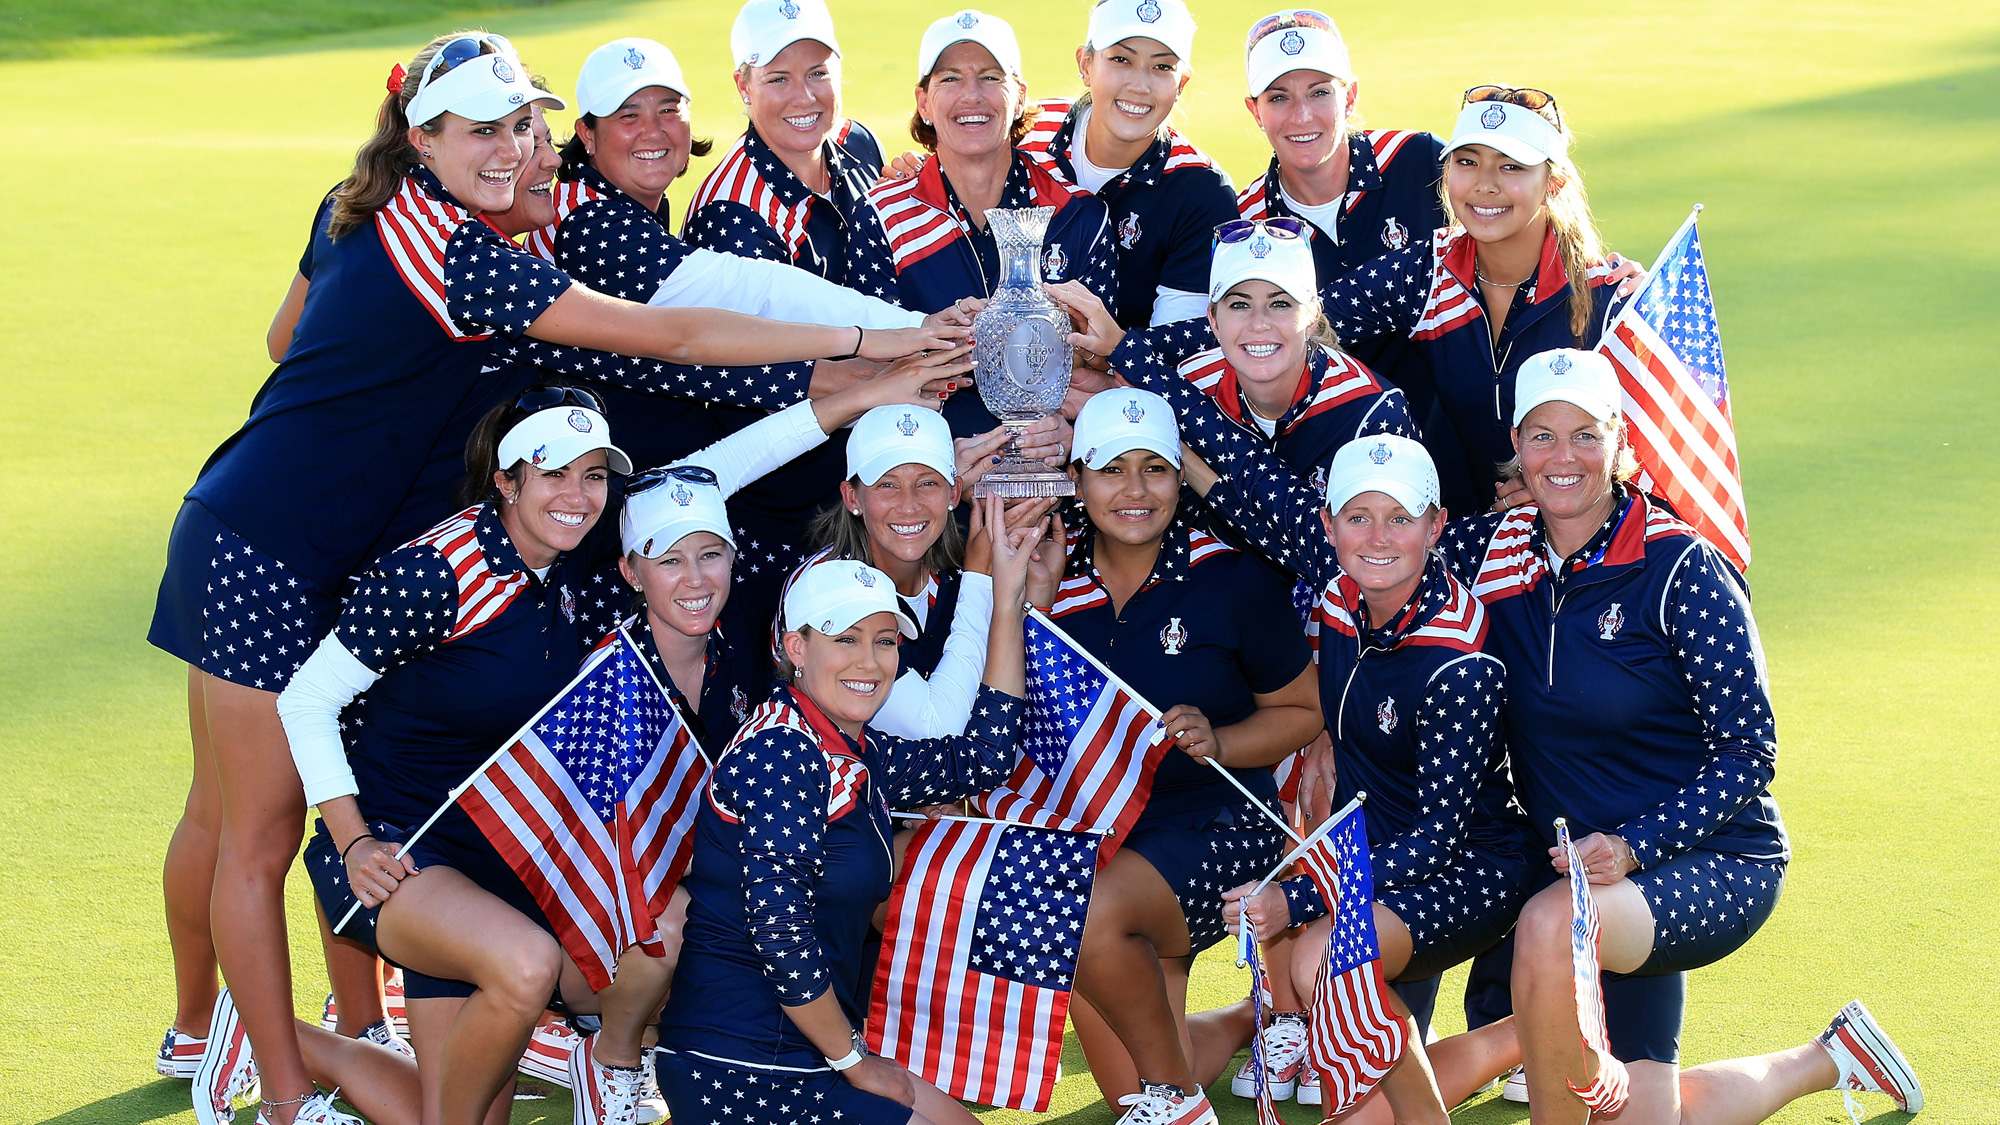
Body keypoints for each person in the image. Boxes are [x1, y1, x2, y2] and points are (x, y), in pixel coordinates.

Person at [151, 31, 964, 1125]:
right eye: (483, 129)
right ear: (422, 135)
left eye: (521, 125)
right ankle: (285, 1094)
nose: (511, 148)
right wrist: (884, 330)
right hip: (273, 543)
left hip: (282, 518)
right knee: (257, 825)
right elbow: (671, 332)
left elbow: (283, 335)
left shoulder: (360, 205)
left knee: (225, 810)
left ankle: (208, 1028)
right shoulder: (463, 254)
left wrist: (371, 402)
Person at [1434, 350, 1923, 1123]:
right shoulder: (1484, 555)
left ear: (1621, 439)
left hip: (1709, 857)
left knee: (1552, 922)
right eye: (1542, 436)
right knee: (1642, 1116)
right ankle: (1829, 1056)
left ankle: (1541, 1030)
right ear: (1517, 447)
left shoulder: (1681, 567)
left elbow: (1749, 752)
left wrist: (1633, 846)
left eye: (1586, 436)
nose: (1563, 458)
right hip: (1589, 876)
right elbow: (1373, 565)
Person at [533, 36, 979, 636]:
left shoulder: (632, 206)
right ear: (586, 136)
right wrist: (896, 338)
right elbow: (735, 319)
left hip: (672, 492)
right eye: (627, 116)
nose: (654, 131)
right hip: (635, 517)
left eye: (668, 110)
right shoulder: (593, 222)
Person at [1174, 430, 1528, 1120]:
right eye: (1357, 516)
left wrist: (1299, 897)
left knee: (1323, 962)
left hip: (1470, 866)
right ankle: (1527, 1033)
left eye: (1400, 517)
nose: (1378, 536)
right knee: (1361, 1108)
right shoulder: (1340, 600)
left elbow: (1439, 840)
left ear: (1435, 525)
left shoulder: (1461, 661)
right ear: (1330, 524)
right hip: (1376, 857)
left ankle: (1489, 1062)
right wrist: (1328, 742)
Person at [654, 503, 1046, 1125]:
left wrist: (1005, 597)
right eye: (845, 638)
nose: (869, 661)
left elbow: (986, 758)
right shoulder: (783, 750)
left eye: (885, 640)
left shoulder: (848, 746)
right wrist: (854, 1061)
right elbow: (780, 929)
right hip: (746, 1064)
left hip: (801, 1050)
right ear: (795, 647)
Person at [1042, 388, 1323, 1125]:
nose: (1134, 491)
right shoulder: (1048, 578)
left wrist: (1221, 740)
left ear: (1179, 477)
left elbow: (1304, 711)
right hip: (1108, 836)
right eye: (1111, 470)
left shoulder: (1233, 578)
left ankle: (1176, 1102)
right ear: (1077, 479)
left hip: (1222, 824)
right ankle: (1244, 1021)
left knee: (1081, 916)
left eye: (1155, 470)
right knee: (1132, 1081)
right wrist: (1028, 604)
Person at [1309, 85, 1629, 513]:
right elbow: (1303, 323)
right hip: (1466, 538)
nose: (1484, 185)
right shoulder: (1427, 269)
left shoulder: (1609, 297)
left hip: (1581, 544)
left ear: (1554, 184)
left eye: (1511, 167)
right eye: (1467, 162)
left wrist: (1562, 483)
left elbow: (1658, 458)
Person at [846, 8, 1120, 438]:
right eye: (950, 79)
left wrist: (1063, 440)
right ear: (924, 102)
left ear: (1020, 97)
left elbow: (1095, 363)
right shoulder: (882, 216)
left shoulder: (1078, 214)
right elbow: (872, 373)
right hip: (930, 460)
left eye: (991, 77)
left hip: (1052, 453)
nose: (971, 96)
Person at [1056, 219, 1416, 486]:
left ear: (1312, 317)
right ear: (1212, 320)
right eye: (1240, 305)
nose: (1259, 324)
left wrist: (1125, 351)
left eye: (1279, 304)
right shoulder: (1191, 381)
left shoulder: (1370, 412)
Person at [1016, 0, 1240, 327]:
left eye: (1162, 67)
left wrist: (1098, 374)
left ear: (1182, 84)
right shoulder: (1023, 131)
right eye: (1121, 59)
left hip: (1123, 377)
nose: (1139, 85)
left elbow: (1173, 344)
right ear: (1086, 64)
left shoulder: (1201, 189)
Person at [684, 0, 885, 281]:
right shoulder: (730, 217)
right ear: (744, 86)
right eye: (779, 79)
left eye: (818, 73)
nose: (804, 98)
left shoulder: (858, 141)